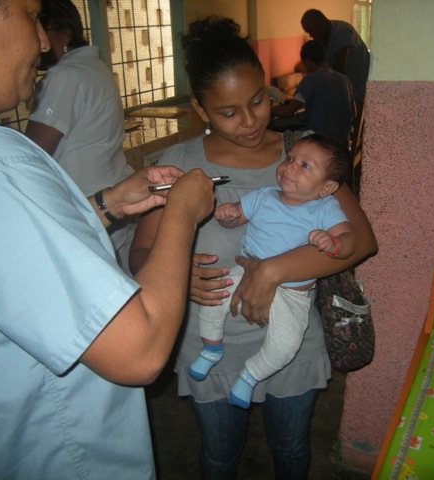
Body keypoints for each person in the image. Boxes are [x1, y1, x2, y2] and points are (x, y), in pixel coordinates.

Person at [0, 1, 215, 478]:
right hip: (57, 456)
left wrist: (105, 205)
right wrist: (184, 212)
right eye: (30, 15)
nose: (44, 42)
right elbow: (140, 348)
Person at [130, 15, 377, 479]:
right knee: (219, 455)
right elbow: (140, 254)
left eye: (259, 100)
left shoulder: (303, 155)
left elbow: (361, 239)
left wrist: (272, 270)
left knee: (290, 448)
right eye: (228, 112)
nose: (249, 121)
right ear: (201, 110)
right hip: (213, 346)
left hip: (293, 344)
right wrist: (177, 278)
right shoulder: (178, 165)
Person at [189, 133, 356, 410]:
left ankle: (250, 375)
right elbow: (238, 218)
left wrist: (335, 243)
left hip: (293, 292)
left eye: (305, 166)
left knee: (286, 344)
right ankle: (211, 348)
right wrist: (229, 215)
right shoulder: (264, 196)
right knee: (213, 299)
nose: (290, 166)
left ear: (326, 187)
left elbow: (351, 240)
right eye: (290, 159)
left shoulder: (326, 208)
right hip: (247, 270)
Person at [25, 0, 136, 273]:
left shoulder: (65, 75)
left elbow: (34, 153)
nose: (36, 41)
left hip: (90, 208)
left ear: (64, 34)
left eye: (42, 28)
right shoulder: (96, 68)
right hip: (111, 199)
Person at [271, 40, 356, 145]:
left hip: (320, 143)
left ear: (307, 62)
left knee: (279, 136)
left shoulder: (310, 80)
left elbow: (288, 112)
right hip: (342, 143)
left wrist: (271, 110)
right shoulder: (344, 79)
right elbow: (353, 112)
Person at [301, 9, 370, 112]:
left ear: (320, 22)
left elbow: (338, 69)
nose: (311, 36)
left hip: (358, 79)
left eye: (311, 30)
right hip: (345, 85)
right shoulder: (321, 40)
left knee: (356, 109)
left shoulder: (342, 32)